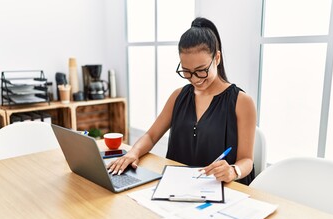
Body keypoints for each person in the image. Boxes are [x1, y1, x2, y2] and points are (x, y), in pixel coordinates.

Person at [108, 17, 257, 185]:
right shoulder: (178, 96)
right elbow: (151, 136)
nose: (194, 79)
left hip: (221, 190)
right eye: (186, 71)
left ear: (217, 58)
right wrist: (133, 152)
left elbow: (247, 160)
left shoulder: (242, 102)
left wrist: (233, 170)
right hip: (177, 188)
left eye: (201, 70)